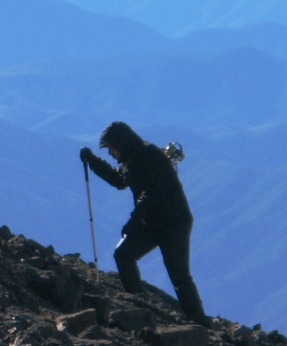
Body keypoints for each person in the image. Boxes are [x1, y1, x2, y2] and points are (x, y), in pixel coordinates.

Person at [80, 121, 208, 326]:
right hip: (154, 222)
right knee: (123, 255)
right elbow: (120, 181)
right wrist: (93, 161)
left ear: (121, 144)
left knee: (179, 275)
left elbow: (152, 194)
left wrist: (134, 221)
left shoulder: (148, 156)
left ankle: (199, 322)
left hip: (173, 223)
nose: (111, 154)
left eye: (111, 148)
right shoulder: (132, 158)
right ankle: (138, 305)